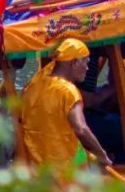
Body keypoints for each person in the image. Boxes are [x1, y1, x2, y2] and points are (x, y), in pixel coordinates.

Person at [19, 38, 112, 173]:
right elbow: (81, 129)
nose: (87, 68)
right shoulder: (68, 91)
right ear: (74, 62)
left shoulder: (33, 86)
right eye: (85, 62)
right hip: (63, 171)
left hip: (38, 170)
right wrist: (102, 155)